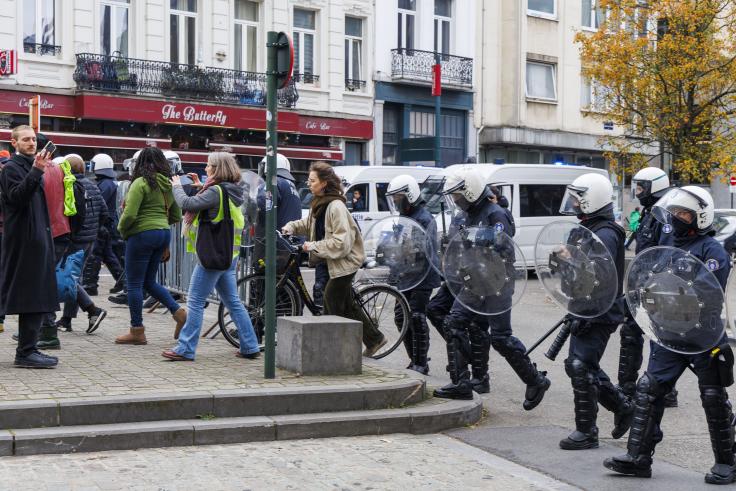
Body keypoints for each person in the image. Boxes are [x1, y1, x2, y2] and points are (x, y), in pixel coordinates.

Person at [604, 186, 736, 484]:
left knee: (713, 397)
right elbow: (648, 278)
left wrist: (674, 286)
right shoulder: (667, 246)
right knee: (649, 389)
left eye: (683, 213)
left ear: (700, 217)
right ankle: (638, 458)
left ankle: (727, 463)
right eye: (674, 212)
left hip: (703, 336)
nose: (676, 218)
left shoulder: (711, 251)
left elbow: (707, 293)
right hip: (669, 333)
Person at [430, 167, 550, 407]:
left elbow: (504, 246)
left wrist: (476, 238)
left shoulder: (496, 214)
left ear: (470, 191)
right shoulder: (469, 215)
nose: (456, 199)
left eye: (458, 194)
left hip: (497, 283)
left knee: (501, 337)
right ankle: (461, 383)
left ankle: (535, 380)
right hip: (474, 282)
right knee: (454, 323)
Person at [556, 173, 633, 450]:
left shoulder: (606, 234)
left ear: (592, 200)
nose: (573, 204)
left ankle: (587, 431)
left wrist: (571, 260)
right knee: (579, 365)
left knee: (581, 366)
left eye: (577, 200)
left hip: (600, 311)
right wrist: (561, 262)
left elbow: (600, 277)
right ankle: (623, 407)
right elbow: (573, 277)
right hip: (582, 306)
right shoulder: (583, 230)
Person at [162, 152, 260, 361]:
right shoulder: (233, 189)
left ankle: (185, 348)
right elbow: (216, 202)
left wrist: (177, 186)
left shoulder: (216, 191)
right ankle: (250, 345)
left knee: (195, 301)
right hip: (229, 255)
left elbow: (187, 204)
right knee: (233, 302)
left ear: (217, 169)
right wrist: (202, 186)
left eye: (208, 166)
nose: (205, 169)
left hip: (213, 256)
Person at [282, 161, 387, 356]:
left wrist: (312, 246)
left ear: (324, 183)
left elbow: (341, 243)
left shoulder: (335, 206)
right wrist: (291, 227)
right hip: (329, 260)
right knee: (346, 304)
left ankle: (335, 353)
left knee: (331, 300)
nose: (308, 183)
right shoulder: (319, 203)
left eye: (312, 180)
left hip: (345, 262)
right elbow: (309, 224)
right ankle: (375, 339)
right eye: (308, 180)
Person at [619, 167, 679, 407]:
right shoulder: (649, 213)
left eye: (642, 187)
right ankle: (626, 386)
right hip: (640, 284)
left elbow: (665, 254)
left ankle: (666, 390)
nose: (638, 191)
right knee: (630, 332)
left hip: (656, 287)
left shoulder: (665, 215)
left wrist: (652, 282)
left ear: (655, 187)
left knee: (660, 338)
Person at [0, 125, 58, 368]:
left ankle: (28, 349)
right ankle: (25, 352)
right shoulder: (12, 168)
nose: (32, 143)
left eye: (33, 139)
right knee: (30, 295)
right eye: (26, 139)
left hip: (36, 239)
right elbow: (17, 197)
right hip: (24, 241)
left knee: (35, 296)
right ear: (14, 143)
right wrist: (36, 171)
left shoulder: (30, 165)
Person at [115, 147, 186, 345]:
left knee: (134, 284)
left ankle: (137, 330)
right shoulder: (168, 184)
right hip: (163, 234)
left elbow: (130, 214)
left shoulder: (140, 183)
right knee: (149, 282)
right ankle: (178, 312)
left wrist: (122, 230)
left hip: (142, 234)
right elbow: (176, 215)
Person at [385, 174, 441, 374]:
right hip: (406, 275)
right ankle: (414, 358)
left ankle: (421, 362)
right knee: (401, 317)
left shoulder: (424, 218)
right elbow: (399, 243)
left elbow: (421, 250)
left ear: (409, 195)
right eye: (393, 197)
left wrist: (405, 252)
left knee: (417, 317)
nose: (395, 201)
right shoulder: (405, 216)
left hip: (422, 276)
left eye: (398, 196)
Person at [52, 155, 109, 334]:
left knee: (67, 277)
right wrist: (94, 230)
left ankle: (92, 310)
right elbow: (104, 212)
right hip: (90, 240)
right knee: (74, 277)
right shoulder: (93, 185)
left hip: (74, 240)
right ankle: (67, 320)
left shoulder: (69, 185)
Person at [82, 153, 124, 296]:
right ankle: (121, 280)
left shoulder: (105, 184)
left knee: (95, 254)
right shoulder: (109, 183)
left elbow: (100, 203)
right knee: (107, 254)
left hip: (104, 223)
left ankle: (90, 285)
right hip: (107, 223)